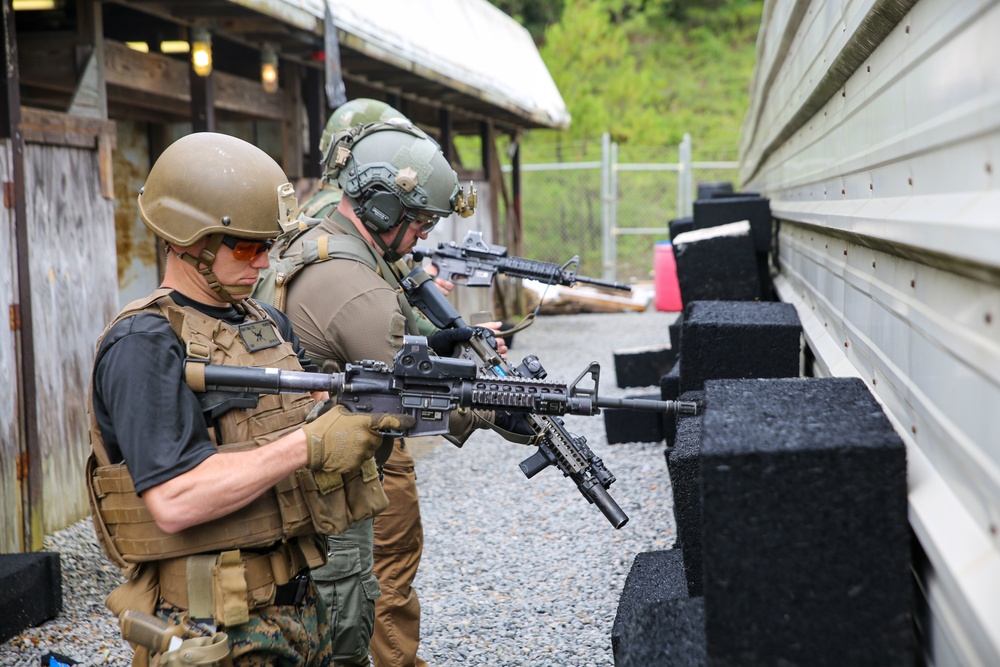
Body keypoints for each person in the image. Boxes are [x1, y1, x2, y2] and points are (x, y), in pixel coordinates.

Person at [86, 131, 411, 667]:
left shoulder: (266, 323)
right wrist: (310, 445)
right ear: (190, 239)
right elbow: (175, 500)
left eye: (269, 246)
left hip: (300, 609)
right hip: (215, 627)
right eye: (247, 246)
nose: (263, 263)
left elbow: (319, 429)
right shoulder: (144, 343)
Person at [280, 117, 511, 667]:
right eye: (421, 221)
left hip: (300, 459)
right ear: (382, 209)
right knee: (354, 611)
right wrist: (503, 408)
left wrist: (442, 343)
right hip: (324, 479)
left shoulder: (326, 240)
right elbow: (421, 401)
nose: (425, 235)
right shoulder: (358, 288)